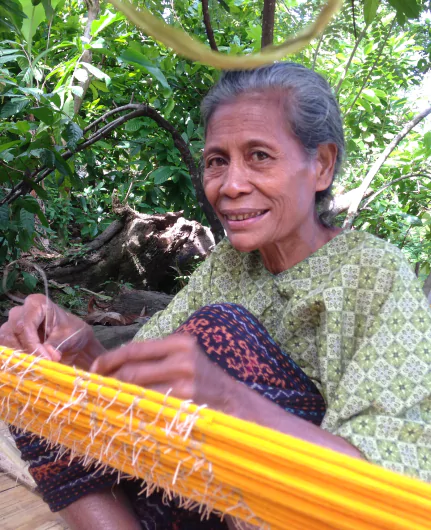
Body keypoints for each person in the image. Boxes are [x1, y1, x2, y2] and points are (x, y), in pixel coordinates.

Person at [2, 62, 431, 530]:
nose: (230, 185)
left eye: (260, 156)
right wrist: (80, 349)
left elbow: (392, 486)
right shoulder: (228, 264)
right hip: (190, 502)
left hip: (309, 512)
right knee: (34, 379)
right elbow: (137, 392)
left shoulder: (374, 274)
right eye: (217, 160)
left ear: (321, 165)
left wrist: (227, 399)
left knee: (219, 334)